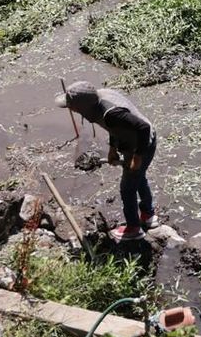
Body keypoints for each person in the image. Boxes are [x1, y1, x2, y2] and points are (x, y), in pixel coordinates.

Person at [55, 81, 157, 241]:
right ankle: (148, 215)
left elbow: (142, 127)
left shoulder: (110, 113)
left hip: (141, 144)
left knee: (127, 188)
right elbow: (114, 127)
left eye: (72, 106)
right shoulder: (98, 98)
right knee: (139, 178)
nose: (71, 109)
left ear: (82, 107)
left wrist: (137, 158)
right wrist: (112, 149)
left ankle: (134, 229)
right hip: (135, 141)